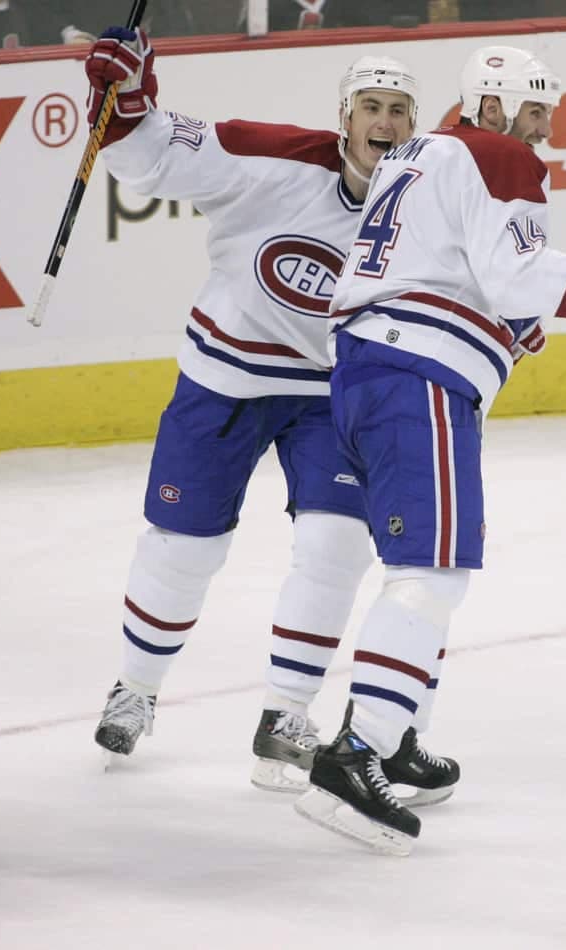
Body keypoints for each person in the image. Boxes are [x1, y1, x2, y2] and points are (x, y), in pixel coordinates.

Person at [293, 45, 566, 855]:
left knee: (424, 567)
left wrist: (521, 321)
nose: (544, 132)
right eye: (534, 112)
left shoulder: (421, 155)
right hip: (418, 377)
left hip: (371, 371)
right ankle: (357, 749)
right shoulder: (497, 153)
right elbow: (512, 275)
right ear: (491, 107)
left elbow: (461, 274)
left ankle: (396, 734)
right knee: (432, 572)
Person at [85, 27, 462, 804]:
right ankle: (135, 687)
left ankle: (286, 715)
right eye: (371, 107)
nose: (384, 123)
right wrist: (126, 95)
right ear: (344, 115)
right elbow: (147, 149)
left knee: (337, 544)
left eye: (399, 109)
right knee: (182, 549)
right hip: (224, 376)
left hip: (332, 391)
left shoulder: (424, 199)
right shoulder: (270, 157)